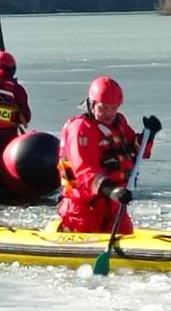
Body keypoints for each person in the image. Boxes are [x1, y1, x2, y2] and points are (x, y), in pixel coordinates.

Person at [56, 76, 162, 234]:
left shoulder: (118, 123)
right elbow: (85, 172)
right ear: (92, 104)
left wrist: (149, 135)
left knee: (125, 234)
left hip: (114, 206)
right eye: (103, 108)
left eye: (113, 108)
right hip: (84, 209)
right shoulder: (81, 129)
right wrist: (112, 191)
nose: (109, 113)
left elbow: (136, 151)